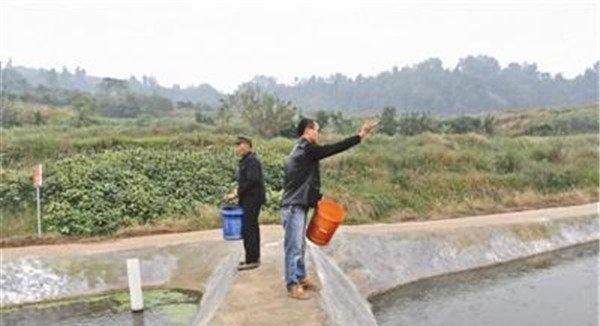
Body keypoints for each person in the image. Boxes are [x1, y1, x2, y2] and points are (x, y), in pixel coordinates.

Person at [280, 118, 378, 299]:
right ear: (308, 131)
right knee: (293, 246)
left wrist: (316, 198)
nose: (318, 134)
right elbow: (333, 148)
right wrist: (360, 135)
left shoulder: (300, 150)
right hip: (293, 207)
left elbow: (301, 180)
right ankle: (292, 284)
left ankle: (300, 277)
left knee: (299, 245)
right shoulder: (306, 149)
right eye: (317, 130)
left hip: (297, 204)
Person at [225, 136, 266, 271]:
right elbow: (246, 181)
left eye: (243, 144)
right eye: (238, 145)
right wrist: (238, 190)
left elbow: (252, 180)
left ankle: (253, 259)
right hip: (248, 199)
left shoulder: (252, 161)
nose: (240, 147)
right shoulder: (245, 161)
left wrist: (237, 192)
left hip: (253, 199)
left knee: (250, 229)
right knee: (249, 228)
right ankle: (251, 258)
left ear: (249, 146)